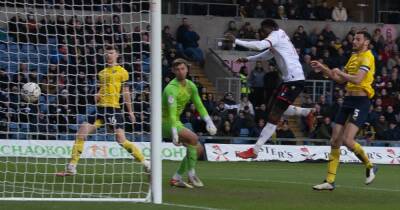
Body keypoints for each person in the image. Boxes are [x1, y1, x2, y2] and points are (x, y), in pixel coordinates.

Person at [225, 19, 314, 159]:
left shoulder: (276, 34)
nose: (262, 33)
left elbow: (260, 46)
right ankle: (306, 112)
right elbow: (268, 53)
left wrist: (236, 41)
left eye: (263, 30)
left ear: (272, 27)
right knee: (271, 107)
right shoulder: (279, 37)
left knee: (274, 115)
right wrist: (248, 59)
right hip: (289, 80)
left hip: (294, 80)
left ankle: (255, 149)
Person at [56, 46, 149, 176]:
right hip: (100, 110)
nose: (108, 55)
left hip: (113, 109)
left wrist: (131, 112)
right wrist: (97, 94)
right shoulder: (102, 73)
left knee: (121, 139)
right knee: (81, 132)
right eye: (106, 53)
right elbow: (102, 88)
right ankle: (72, 166)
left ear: (117, 55)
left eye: (111, 53)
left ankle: (146, 163)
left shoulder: (122, 72)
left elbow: (126, 92)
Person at [310, 31, 378, 191]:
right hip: (348, 101)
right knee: (334, 141)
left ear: (366, 42)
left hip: (361, 102)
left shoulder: (367, 57)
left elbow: (358, 79)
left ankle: (370, 165)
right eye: (354, 38)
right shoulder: (353, 57)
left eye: (358, 39)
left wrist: (340, 72)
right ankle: (330, 181)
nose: (354, 41)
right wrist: (324, 68)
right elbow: (339, 79)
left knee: (348, 140)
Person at [163, 58, 217, 188]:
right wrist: (174, 132)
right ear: (173, 71)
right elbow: (171, 113)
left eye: (182, 69)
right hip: (164, 122)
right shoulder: (171, 88)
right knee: (194, 138)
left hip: (176, 121)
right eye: (177, 69)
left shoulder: (191, 86)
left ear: (187, 69)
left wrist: (209, 121)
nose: (180, 72)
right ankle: (192, 174)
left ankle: (176, 178)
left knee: (198, 149)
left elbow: (199, 105)